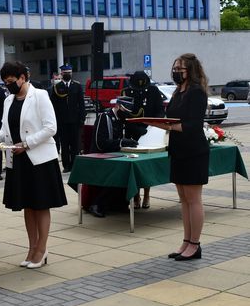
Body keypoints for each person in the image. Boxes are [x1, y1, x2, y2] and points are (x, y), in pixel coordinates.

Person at [0, 61, 67, 269]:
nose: (9, 86)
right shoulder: (9, 100)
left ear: (22, 78)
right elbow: (5, 131)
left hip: (39, 159)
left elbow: (51, 128)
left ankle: (42, 248)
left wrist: (27, 144)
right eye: (5, 82)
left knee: (41, 205)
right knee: (28, 205)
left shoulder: (40, 96)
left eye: (11, 82)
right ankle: (31, 247)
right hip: (17, 159)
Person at [147, 54, 209, 261]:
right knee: (183, 200)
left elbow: (192, 125)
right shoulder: (177, 92)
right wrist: (158, 123)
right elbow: (171, 119)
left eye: (180, 69)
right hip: (178, 150)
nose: (176, 72)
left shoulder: (197, 92)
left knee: (193, 199)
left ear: (190, 70)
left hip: (193, 151)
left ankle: (195, 244)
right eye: (174, 68)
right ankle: (186, 241)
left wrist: (169, 126)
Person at [87, 96, 138, 218]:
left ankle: (119, 204)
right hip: (99, 157)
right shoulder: (104, 117)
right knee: (118, 172)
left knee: (128, 169)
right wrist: (121, 142)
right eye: (124, 111)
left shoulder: (121, 119)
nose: (126, 114)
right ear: (118, 106)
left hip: (114, 157)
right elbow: (100, 143)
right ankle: (97, 205)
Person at [121, 70, 165, 209]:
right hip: (132, 133)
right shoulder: (126, 92)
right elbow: (124, 114)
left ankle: (146, 194)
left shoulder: (153, 91)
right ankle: (136, 196)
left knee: (146, 167)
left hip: (149, 132)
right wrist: (135, 128)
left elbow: (160, 110)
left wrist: (153, 125)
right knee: (133, 166)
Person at [49, 64, 86, 173]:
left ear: (71, 73)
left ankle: (74, 165)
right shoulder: (57, 87)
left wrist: (82, 119)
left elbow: (81, 104)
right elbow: (54, 106)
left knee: (75, 145)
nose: (67, 75)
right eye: (65, 73)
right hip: (62, 122)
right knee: (64, 145)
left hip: (75, 121)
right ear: (62, 74)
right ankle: (66, 165)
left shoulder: (77, 86)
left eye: (69, 73)